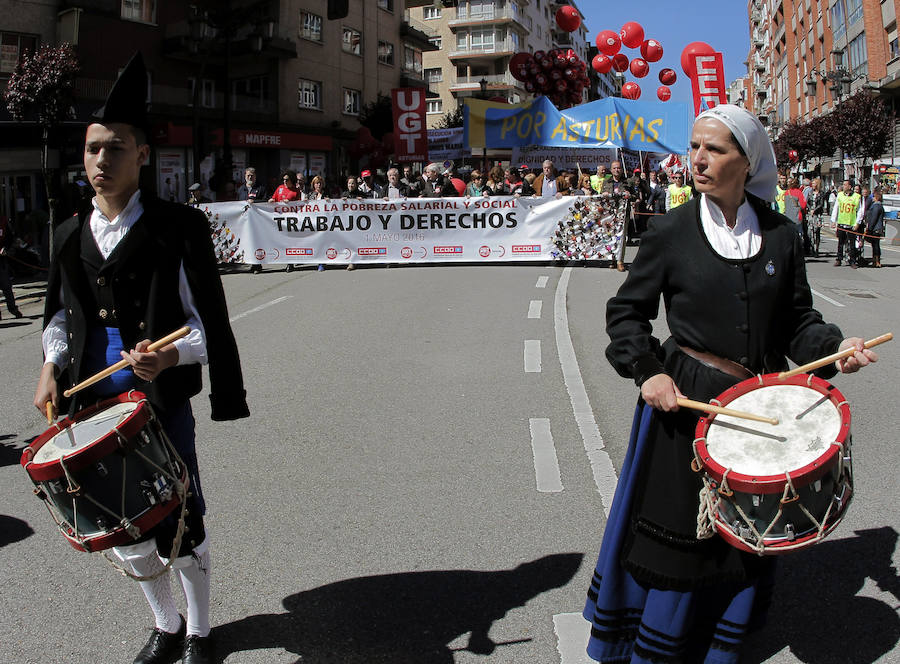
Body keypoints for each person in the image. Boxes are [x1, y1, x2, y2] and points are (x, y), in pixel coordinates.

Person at [582, 104, 877, 664]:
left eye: (714, 149)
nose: (698, 159)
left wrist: (834, 352)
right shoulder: (669, 232)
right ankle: (660, 646)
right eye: (695, 147)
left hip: (756, 401)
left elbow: (799, 323)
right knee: (678, 531)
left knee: (744, 527)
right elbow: (626, 313)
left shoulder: (782, 235)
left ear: (747, 162)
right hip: (682, 401)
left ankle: (722, 643)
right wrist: (649, 372)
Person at [31, 52, 249, 664]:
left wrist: (171, 355)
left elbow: (209, 327)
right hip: (90, 402)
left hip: (156, 404)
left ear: (143, 155)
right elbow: (58, 316)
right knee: (121, 528)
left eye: (117, 148)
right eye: (94, 148)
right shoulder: (69, 234)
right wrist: (51, 363)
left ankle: (202, 634)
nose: (102, 160)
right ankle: (166, 625)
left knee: (179, 522)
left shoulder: (178, 228)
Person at [830, 179, 864, 268]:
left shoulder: (857, 197)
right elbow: (836, 208)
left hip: (851, 223)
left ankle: (852, 261)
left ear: (850, 187)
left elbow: (860, 211)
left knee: (852, 243)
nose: (843, 186)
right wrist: (833, 221)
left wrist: (857, 223)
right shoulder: (840, 195)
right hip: (841, 222)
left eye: (845, 185)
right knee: (840, 242)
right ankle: (839, 259)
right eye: (843, 184)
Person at [0, 214, 23, 320]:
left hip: (1, 260)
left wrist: (6, 248)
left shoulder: (2, 221)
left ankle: (13, 308)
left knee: (7, 287)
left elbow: (9, 238)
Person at [864, 188, 885, 268]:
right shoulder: (879, 206)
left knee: (876, 245)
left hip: (875, 228)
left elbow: (874, 218)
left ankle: (876, 261)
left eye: (873, 196)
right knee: (875, 245)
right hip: (877, 228)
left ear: (876, 197)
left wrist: (869, 228)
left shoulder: (876, 206)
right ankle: (875, 260)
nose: (872, 198)